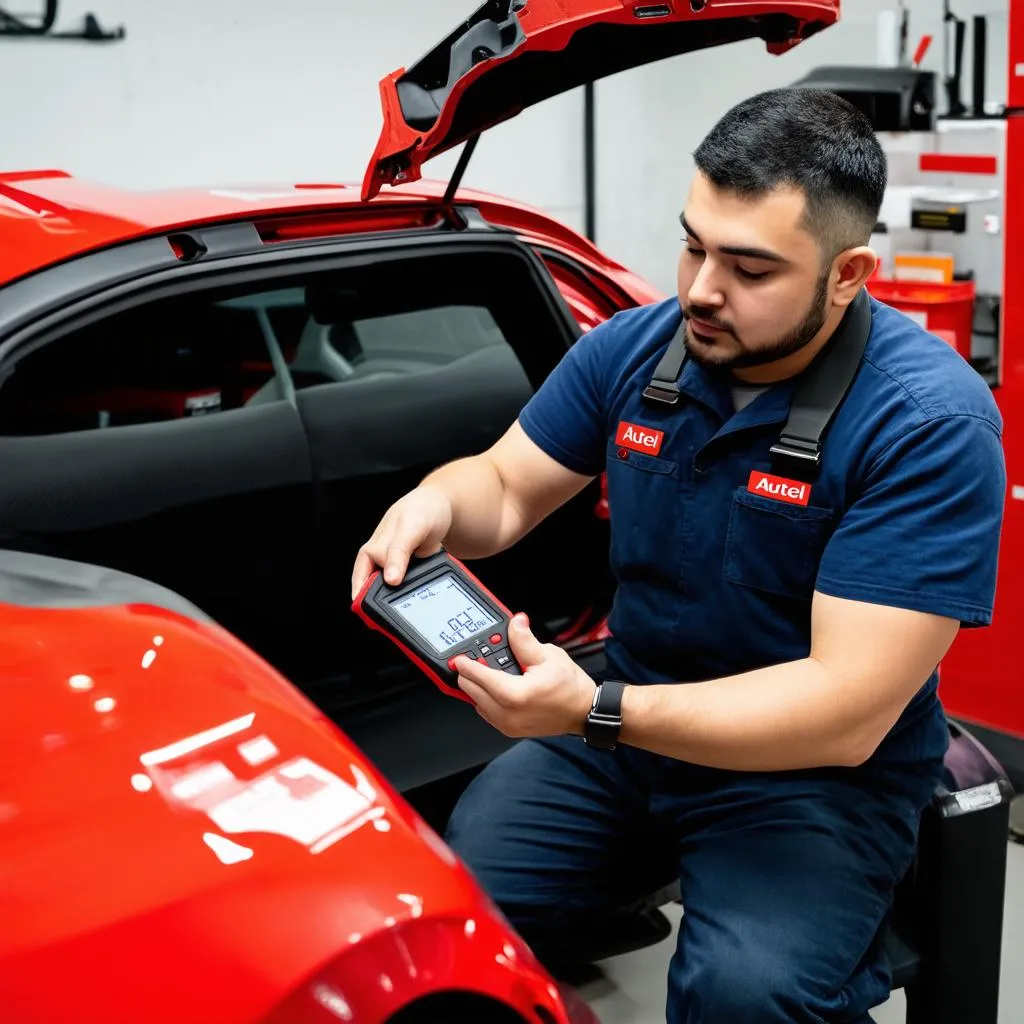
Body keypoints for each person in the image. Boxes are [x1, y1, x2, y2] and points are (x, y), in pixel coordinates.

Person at [350, 88, 1006, 1023]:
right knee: (457, 914)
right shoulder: (641, 348)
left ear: (849, 273)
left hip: (809, 778)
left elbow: (846, 711)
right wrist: (430, 505)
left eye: (749, 267)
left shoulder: (927, 425)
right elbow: (502, 485)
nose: (701, 288)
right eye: (695, 244)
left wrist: (597, 709)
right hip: (621, 731)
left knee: (745, 997)